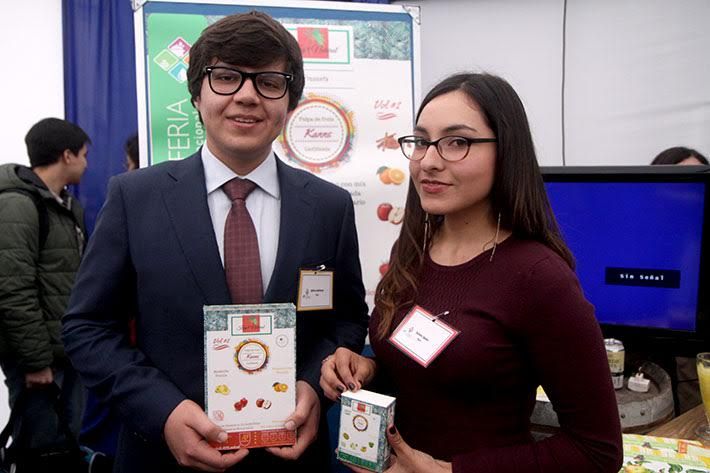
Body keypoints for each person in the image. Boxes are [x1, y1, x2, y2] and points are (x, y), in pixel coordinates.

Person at [62, 11, 368, 473]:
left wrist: (312, 384)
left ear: (290, 101)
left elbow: (345, 320)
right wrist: (164, 412)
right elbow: (87, 327)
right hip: (162, 459)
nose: (247, 95)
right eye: (226, 77)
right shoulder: (135, 198)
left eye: (269, 82)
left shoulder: (329, 206)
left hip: (293, 457)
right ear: (196, 93)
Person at [321, 73, 623, 473]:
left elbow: (597, 451)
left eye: (457, 142)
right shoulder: (412, 251)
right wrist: (368, 369)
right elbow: (423, 375)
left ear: (506, 152)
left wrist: (450, 471)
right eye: (421, 141)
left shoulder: (538, 277)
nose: (429, 161)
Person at [0, 117, 89, 451]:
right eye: (83, 155)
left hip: (66, 352)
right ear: (67, 155)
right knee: (40, 449)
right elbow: (12, 290)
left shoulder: (66, 206)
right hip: (38, 363)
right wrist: (36, 361)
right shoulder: (18, 205)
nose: (86, 164)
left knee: (66, 445)